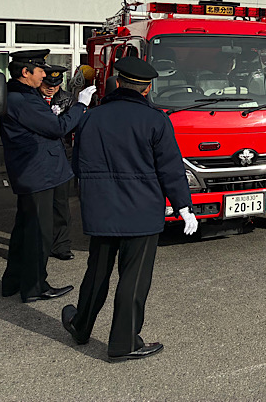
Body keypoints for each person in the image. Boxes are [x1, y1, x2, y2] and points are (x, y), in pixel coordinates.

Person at [62, 56, 198, 361]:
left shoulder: (90, 118)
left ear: (118, 83)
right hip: (141, 211)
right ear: (147, 88)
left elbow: (78, 163)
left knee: (96, 274)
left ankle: (81, 326)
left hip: (101, 210)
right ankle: (124, 343)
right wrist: (184, 207)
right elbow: (170, 168)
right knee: (133, 279)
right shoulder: (156, 119)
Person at [0, 50, 95, 303]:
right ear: (25, 73)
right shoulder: (23, 99)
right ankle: (34, 287)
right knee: (39, 234)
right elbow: (58, 128)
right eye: (40, 70)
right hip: (38, 173)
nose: (44, 75)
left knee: (24, 230)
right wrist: (81, 105)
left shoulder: (22, 96)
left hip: (34, 172)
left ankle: (13, 281)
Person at [38, 65, 76, 261]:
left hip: (63, 154)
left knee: (61, 203)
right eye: (47, 84)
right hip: (40, 156)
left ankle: (61, 245)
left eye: (56, 84)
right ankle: (40, 244)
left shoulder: (67, 99)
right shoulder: (33, 99)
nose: (51, 88)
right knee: (40, 204)